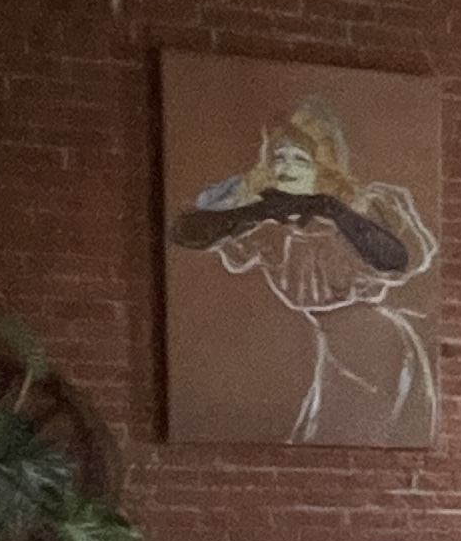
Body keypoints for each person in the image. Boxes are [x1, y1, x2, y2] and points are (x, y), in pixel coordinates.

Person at [173, 97, 438, 446]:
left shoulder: (357, 211)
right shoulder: (268, 220)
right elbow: (186, 232)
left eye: (301, 159)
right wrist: (256, 211)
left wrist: (331, 210)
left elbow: (396, 258)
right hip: (313, 342)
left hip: (369, 341)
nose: (286, 167)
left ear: (322, 169)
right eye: (279, 157)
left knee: (345, 434)